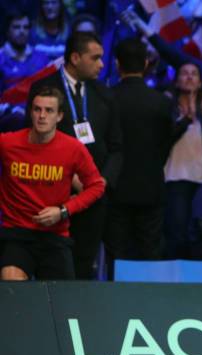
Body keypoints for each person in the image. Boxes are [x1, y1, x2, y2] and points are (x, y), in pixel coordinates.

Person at [28, 31, 122, 279]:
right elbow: (36, 143)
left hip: (94, 198)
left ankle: (79, 316)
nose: (102, 64)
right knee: (52, 265)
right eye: (96, 58)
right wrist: (70, 179)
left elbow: (117, 147)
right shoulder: (43, 90)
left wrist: (102, 182)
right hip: (54, 194)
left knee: (84, 265)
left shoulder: (105, 94)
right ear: (75, 57)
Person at [0, 87, 105, 280]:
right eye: (37, 109)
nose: (42, 116)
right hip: (16, 234)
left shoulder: (73, 149)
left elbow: (97, 186)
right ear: (30, 112)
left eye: (49, 111)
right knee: (11, 281)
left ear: (59, 116)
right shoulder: (8, 144)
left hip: (54, 236)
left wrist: (63, 211)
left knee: (62, 302)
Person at [104, 38, 175, 270]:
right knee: (150, 253)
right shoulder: (160, 102)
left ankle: (115, 306)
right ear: (146, 63)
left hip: (115, 188)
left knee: (117, 254)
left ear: (117, 64)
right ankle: (150, 305)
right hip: (151, 187)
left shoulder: (107, 98)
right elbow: (166, 144)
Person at [163, 62, 202, 259]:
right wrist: (185, 120)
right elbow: (163, 140)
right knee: (176, 231)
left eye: (193, 74)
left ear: (200, 81)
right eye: (184, 73)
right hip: (174, 178)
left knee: (197, 233)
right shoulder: (168, 107)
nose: (189, 77)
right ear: (177, 81)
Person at [0, 10, 49, 92]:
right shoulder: (1, 58)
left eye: (25, 27)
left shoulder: (42, 58)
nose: (22, 31)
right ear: (7, 31)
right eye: (16, 27)